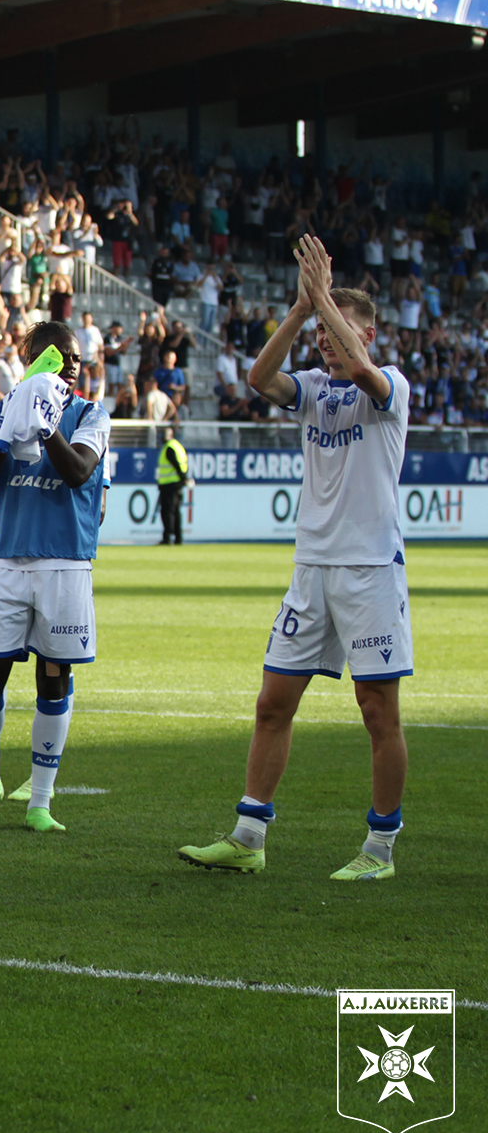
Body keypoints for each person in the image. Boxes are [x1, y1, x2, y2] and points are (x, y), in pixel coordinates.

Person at [179, 236, 414, 882]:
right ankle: (249, 836)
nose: (325, 343)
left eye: (338, 331)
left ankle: (380, 850)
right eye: (322, 334)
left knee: (377, 712)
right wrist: (302, 309)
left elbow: (362, 370)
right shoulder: (311, 388)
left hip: (370, 571)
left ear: (367, 332)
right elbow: (259, 378)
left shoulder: (391, 385)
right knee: (272, 702)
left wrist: (326, 303)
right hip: (311, 570)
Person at [0, 323, 109, 834]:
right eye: (57, 355)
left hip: (64, 565)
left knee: (53, 680)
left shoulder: (92, 415)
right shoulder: (0, 412)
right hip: (7, 565)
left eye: (76, 357)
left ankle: (40, 800)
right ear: (31, 359)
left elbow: (79, 473)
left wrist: (45, 425)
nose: (71, 363)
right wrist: (15, 420)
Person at [156, 425, 191, 546]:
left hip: (169, 484)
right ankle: (178, 537)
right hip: (176, 484)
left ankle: (168, 537)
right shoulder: (177, 446)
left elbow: (176, 465)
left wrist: (183, 478)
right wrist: (184, 479)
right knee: (176, 511)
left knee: (168, 512)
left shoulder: (169, 448)